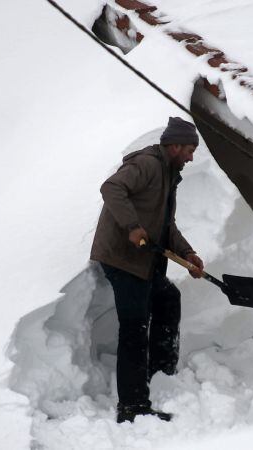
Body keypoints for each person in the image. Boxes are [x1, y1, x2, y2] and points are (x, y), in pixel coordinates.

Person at [90, 117, 205, 423]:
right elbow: (111, 188)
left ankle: (161, 374)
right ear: (175, 146)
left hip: (145, 259)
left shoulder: (169, 173)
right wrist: (132, 226)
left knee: (168, 299)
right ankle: (132, 406)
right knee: (134, 328)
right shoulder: (148, 164)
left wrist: (188, 252)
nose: (192, 157)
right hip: (123, 259)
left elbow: (166, 225)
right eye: (190, 150)